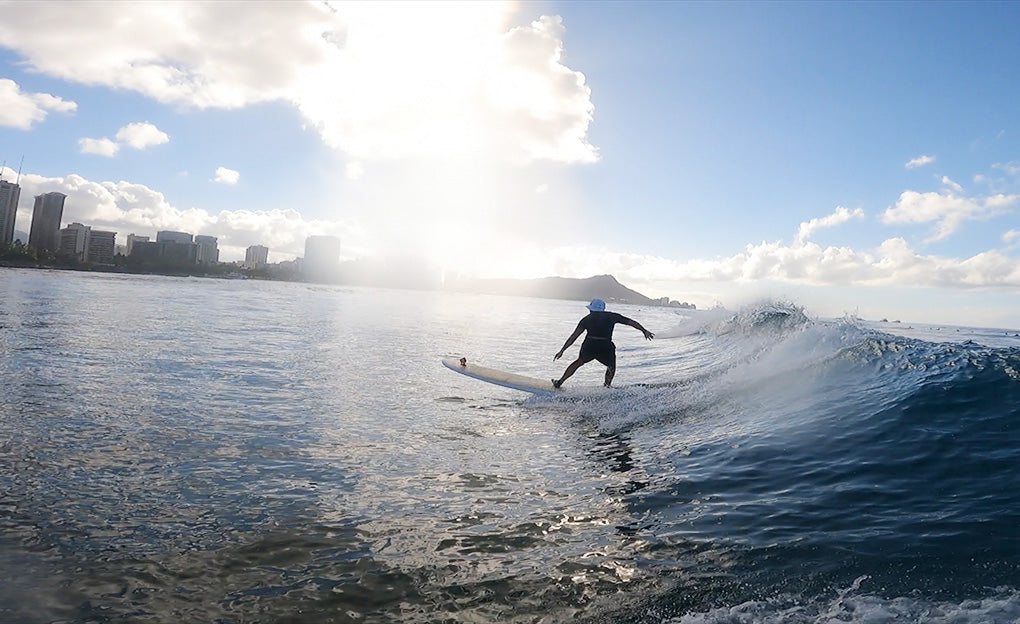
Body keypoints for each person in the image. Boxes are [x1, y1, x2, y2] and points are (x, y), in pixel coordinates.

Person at [553, 298, 654, 388]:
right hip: (605, 346)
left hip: (590, 345)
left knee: (579, 362)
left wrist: (562, 350)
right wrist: (644, 331)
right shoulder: (612, 316)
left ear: (591, 309)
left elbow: (573, 337)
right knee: (611, 367)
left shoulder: (586, 319)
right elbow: (631, 322)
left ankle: (560, 382)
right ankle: (607, 387)